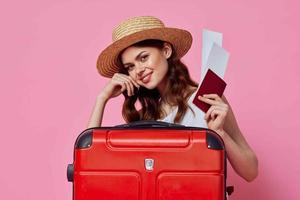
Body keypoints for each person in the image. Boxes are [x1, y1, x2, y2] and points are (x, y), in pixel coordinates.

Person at [87, 16, 258, 182]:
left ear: (166, 51)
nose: (138, 70)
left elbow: (250, 172)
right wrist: (101, 99)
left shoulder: (206, 96)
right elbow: (88, 162)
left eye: (143, 57)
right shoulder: (142, 119)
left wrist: (220, 133)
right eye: (130, 67)